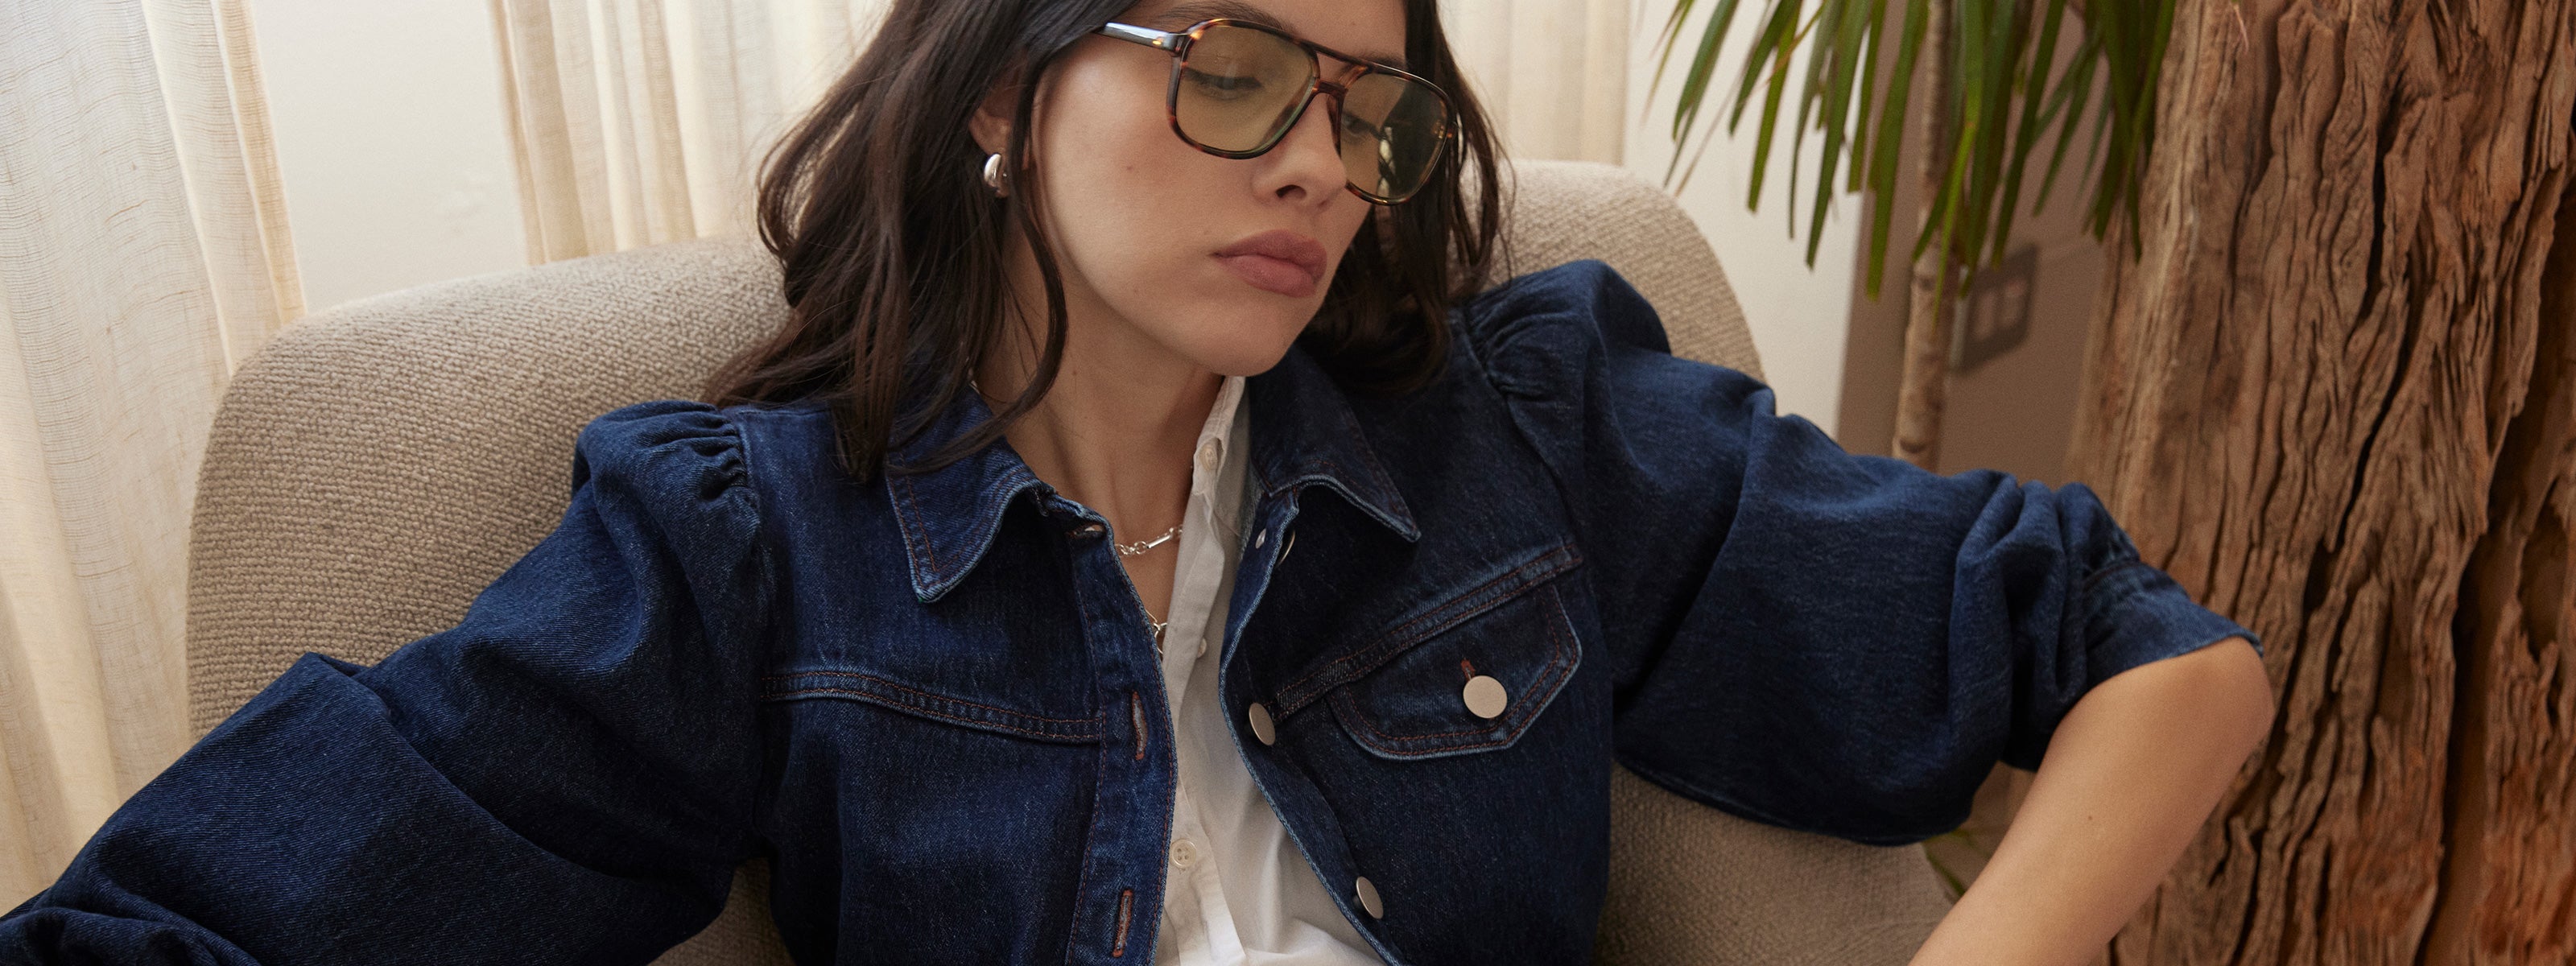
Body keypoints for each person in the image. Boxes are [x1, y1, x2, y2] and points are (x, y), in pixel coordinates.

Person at [0, 0, 2275, 962]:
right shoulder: (757, 550)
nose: (1320, 166)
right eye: (1235, 74)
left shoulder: (1512, 429)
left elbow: (2156, 659)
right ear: (1004, 88)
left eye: (1368, 111)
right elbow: (219, 914)